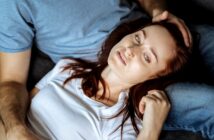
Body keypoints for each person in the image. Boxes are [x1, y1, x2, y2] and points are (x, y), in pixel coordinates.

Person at [0, 0, 214, 139]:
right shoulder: (67, 68)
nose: (131, 49)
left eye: (146, 55)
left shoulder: (121, 120)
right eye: (137, 39)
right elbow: (12, 87)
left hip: (153, 37)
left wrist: (158, 10)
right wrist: (14, 129)